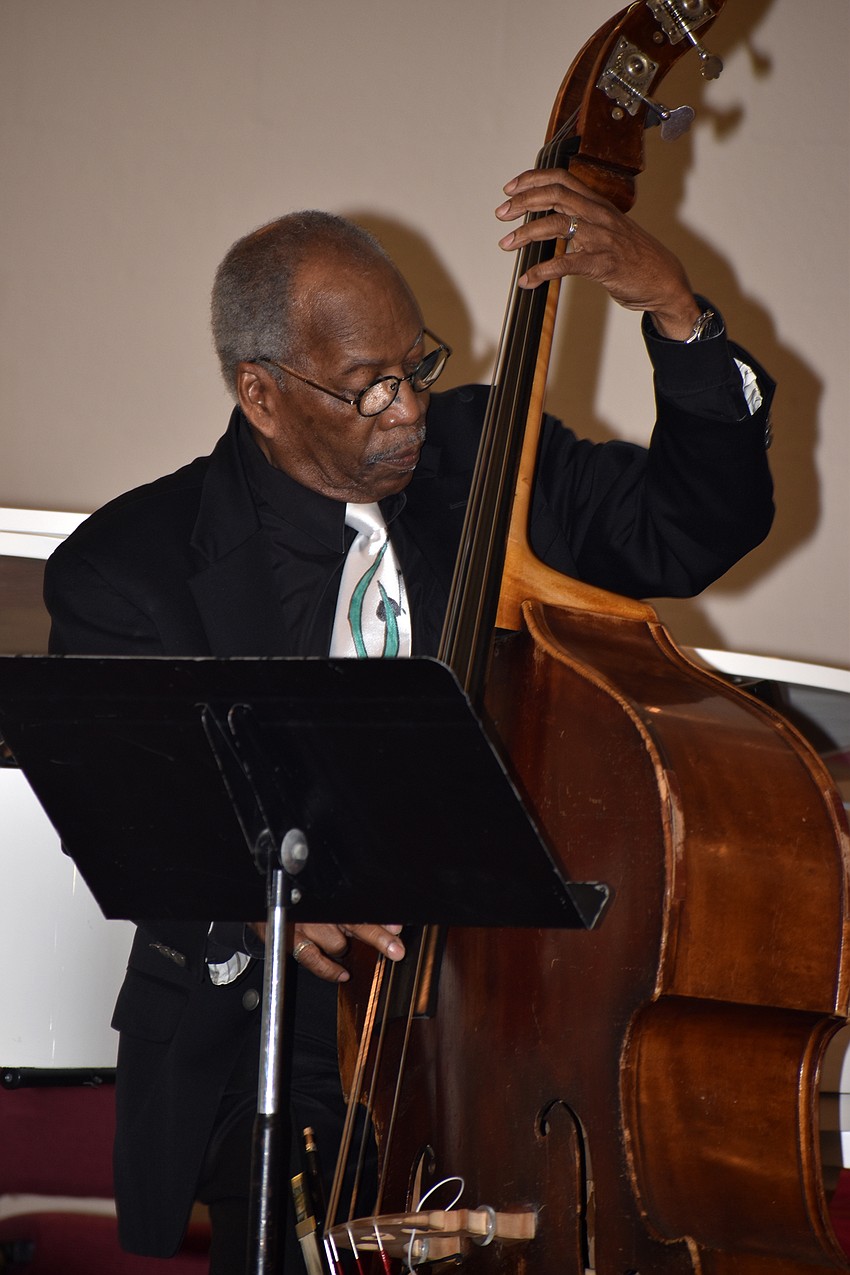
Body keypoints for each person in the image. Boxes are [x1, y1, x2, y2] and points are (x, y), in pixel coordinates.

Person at [44, 166, 775, 1271]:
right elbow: (122, 816)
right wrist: (253, 907)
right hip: (272, 1053)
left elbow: (695, 526)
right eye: (366, 388)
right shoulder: (129, 571)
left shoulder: (489, 460)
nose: (410, 410)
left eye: (417, 368)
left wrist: (673, 308)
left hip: (500, 1037)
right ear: (262, 392)